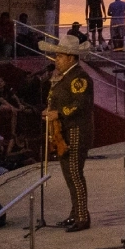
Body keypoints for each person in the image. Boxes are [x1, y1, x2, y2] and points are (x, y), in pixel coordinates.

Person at [40, 35, 95, 232]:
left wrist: (59, 112)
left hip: (76, 131)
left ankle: (82, 217)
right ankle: (75, 213)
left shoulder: (79, 78)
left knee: (75, 174)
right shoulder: (64, 77)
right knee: (69, 175)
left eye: (60, 56)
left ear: (71, 58)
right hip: (63, 131)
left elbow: (81, 104)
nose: (57, 60)